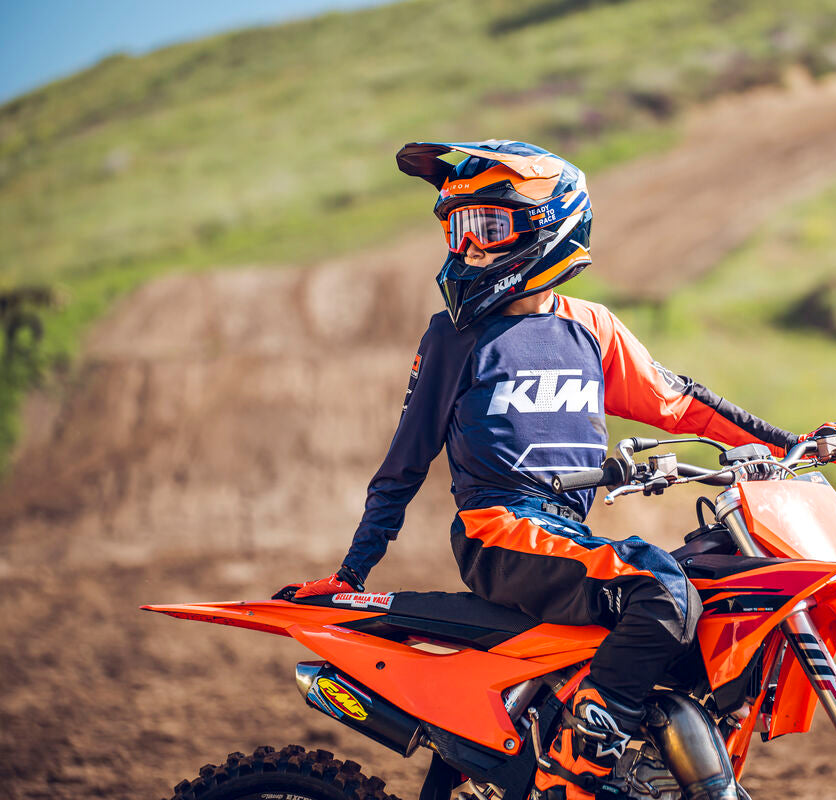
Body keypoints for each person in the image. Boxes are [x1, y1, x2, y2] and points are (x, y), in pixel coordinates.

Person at [276, 140, 807, 800]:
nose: (467, 249)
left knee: (702, 591)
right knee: (661, 590)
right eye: (456, 228)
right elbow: (403, 465)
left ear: (550, 224)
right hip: (498, 533)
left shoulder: (592, 328)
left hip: (564, 538)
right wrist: (352, 573)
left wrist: (792, 445)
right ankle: (586, 753)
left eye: (487, 227)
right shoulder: (454, 336)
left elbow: (681, 403)